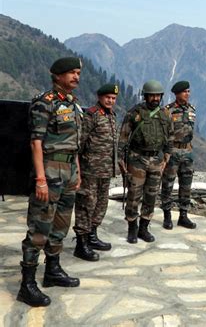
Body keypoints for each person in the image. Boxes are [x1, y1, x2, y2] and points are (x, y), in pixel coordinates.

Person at [17, 57, 83, 307]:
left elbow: (74, 142)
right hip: (50, 171)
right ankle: (27, 284)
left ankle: (52, 271)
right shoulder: (45, 103)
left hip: (69, 172)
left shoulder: (73, 104)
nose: (76, 77)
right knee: (39, 228)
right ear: (57, 76)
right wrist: (41, 179)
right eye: (71, 73)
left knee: (61, 225)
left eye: (78, 73)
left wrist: (77, 170)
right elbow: (36, 142)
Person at [118, 80, 172, 243]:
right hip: (137, 160)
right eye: (152, 95)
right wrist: (121, 160)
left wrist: (166, 157)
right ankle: (132, 228)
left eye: (157, 95)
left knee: (151, 195)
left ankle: (144, 227)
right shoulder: (134, 113)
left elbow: (170, 137)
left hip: (157, 159)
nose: (155, 98)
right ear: (146, 96)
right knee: (134, 194)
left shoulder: (165, 114)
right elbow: (123, 137)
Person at [73, 84, 119, 261]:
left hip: (106, 170)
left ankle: (92, 235)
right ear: (99, 97)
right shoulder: (91, 115)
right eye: (107, 97)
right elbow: (80, 142)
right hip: (90, 170)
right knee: (86, 204)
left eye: (113, 98)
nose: (110, 101)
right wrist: (78, 167)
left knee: (101, 203)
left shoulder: (112, 116)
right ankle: (81, 243)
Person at [160, 80, 197, 230]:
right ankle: (167, 215)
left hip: (187, 151)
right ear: (177, 94)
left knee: (186, 184)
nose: (187, 94)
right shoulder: (168, 111)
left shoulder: (192, 109)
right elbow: (163, 133)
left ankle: (183, 215)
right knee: (168, 184)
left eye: (188, 91)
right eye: (184, 92)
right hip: (173, 151)